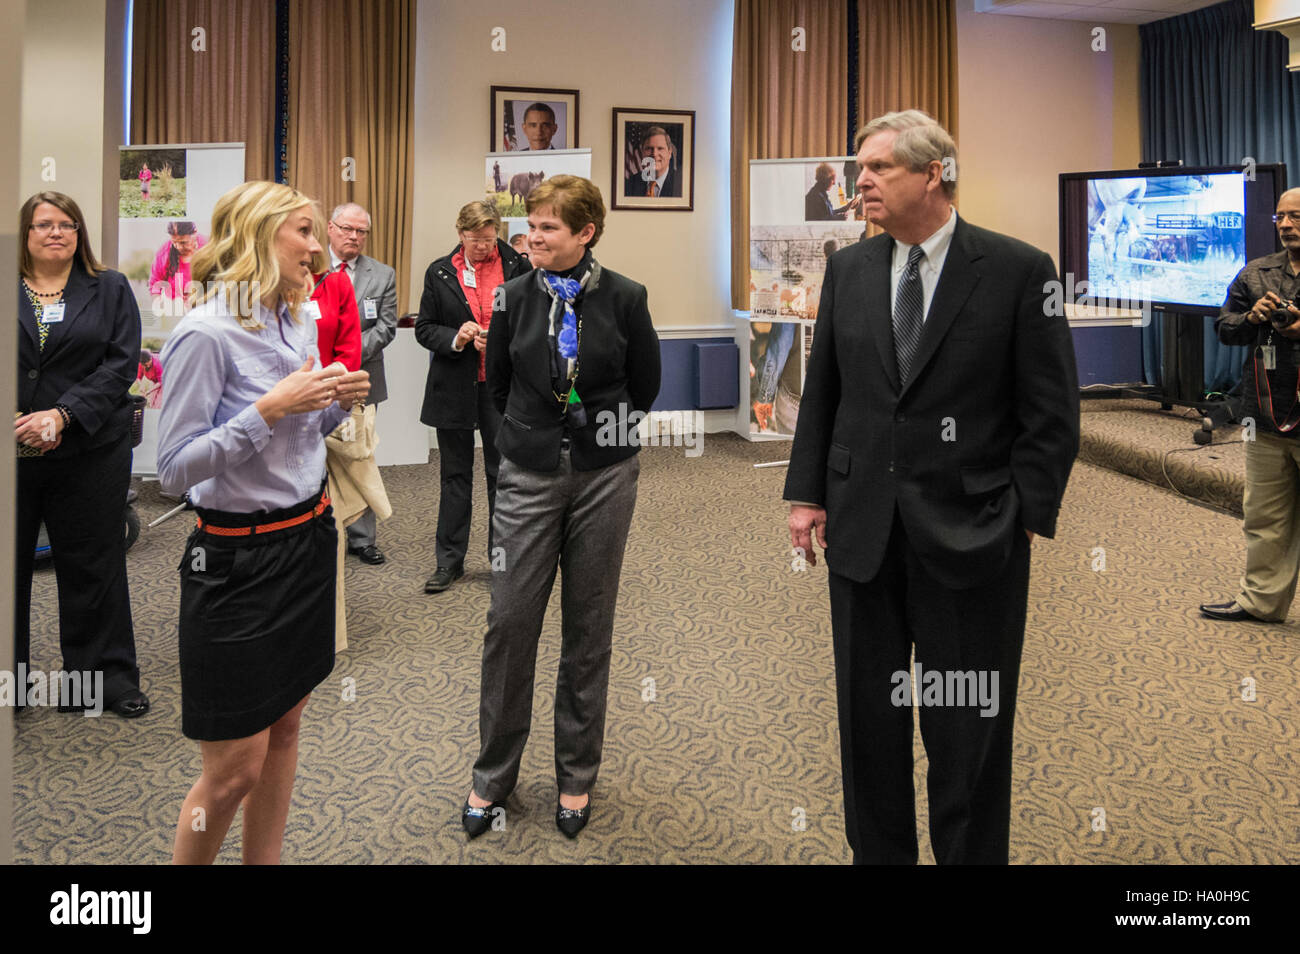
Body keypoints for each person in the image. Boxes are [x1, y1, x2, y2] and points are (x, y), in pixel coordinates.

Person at [784, 110, 1079, 864]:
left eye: (879, 167)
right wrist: (806, 493)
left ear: (933, 173)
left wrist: (1026, 517)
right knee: (868, 727)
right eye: (861, 168)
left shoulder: (1018, 269)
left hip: (974, 537)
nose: (862, 181)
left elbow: (1051, 412)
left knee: (967, 733)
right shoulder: (850, 267)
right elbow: (825, 393)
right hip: (861, 534)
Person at [157, 181, 370, 864]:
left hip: (306, 542)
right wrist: (267, 411)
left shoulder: (299, 320)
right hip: (234, 563)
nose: (318, 247)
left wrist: (334, 402)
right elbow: (172, 469)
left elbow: (301, 439)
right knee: (230, 774)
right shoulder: (205, 334)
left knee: (285, 728)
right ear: (257, 236)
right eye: (305, 232)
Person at [462, 175, 660, 839]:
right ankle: (493, 775)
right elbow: (501, 388)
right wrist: (534, 439)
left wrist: (598, 436)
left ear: (585, 233)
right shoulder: (512, 298)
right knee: (509, 621)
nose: (533, 236)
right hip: (528, 473)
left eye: (548, 227)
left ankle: (577, 774)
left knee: (588, 626)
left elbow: (647, 385)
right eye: (533, 225)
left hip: (605, 476)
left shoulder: (626, 298)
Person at [15, 190, 150, 718]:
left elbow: (121, 366)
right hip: (11, 453)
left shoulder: (109, 288)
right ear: (25, 233)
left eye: (68, 225)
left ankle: (103, 683)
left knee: (94, 564)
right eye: (44, 224)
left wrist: (61, 416)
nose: (57, 232)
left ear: (80, 234)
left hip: (90, 449)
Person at [415, 201, 531, 594]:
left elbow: (532, 322)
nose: (482, 246)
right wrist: (457, 337)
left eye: (488, 237)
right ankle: (449, 562)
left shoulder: (518, 266)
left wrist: (502, 338)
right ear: (459, 233)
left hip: (501, 389)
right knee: (455, 476)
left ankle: (502, 563)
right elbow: (425, 328)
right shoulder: (440, 271)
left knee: (503, 477)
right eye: (473, 238)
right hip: (455, 387)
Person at [1200, 188, 1300, 623]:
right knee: (1262, 516)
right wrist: (1252, 318)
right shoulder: (1256, 272)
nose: (1287, 225)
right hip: (1264, 414)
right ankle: (1261, 601)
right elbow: (1225, 329)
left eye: (1295, 216)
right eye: (1280, 217)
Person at [327, 202, 397, 565]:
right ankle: (322, 531)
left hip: (361, 379)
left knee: (359, 454)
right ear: (330, 228)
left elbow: (385, 328)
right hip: (315, 377)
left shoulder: (382, 274)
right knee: (314, 456)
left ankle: (362, 538)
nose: (354, 237)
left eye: (361, 231)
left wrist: (346, 358)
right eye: (347, 229)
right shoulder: (309, 268)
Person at [148, 221, 205, 302]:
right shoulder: (164, 252)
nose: (178, 247)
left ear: (195, 233)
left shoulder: (207, 247)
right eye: (174, 242)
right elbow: (155, 285)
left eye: (183, 242)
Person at [623, 126, 681, 198]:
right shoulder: (629, 184)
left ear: (669, 153)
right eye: (649, 148)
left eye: (660, 148)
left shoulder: (680, 184)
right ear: (642, 152)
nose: (654, 154)